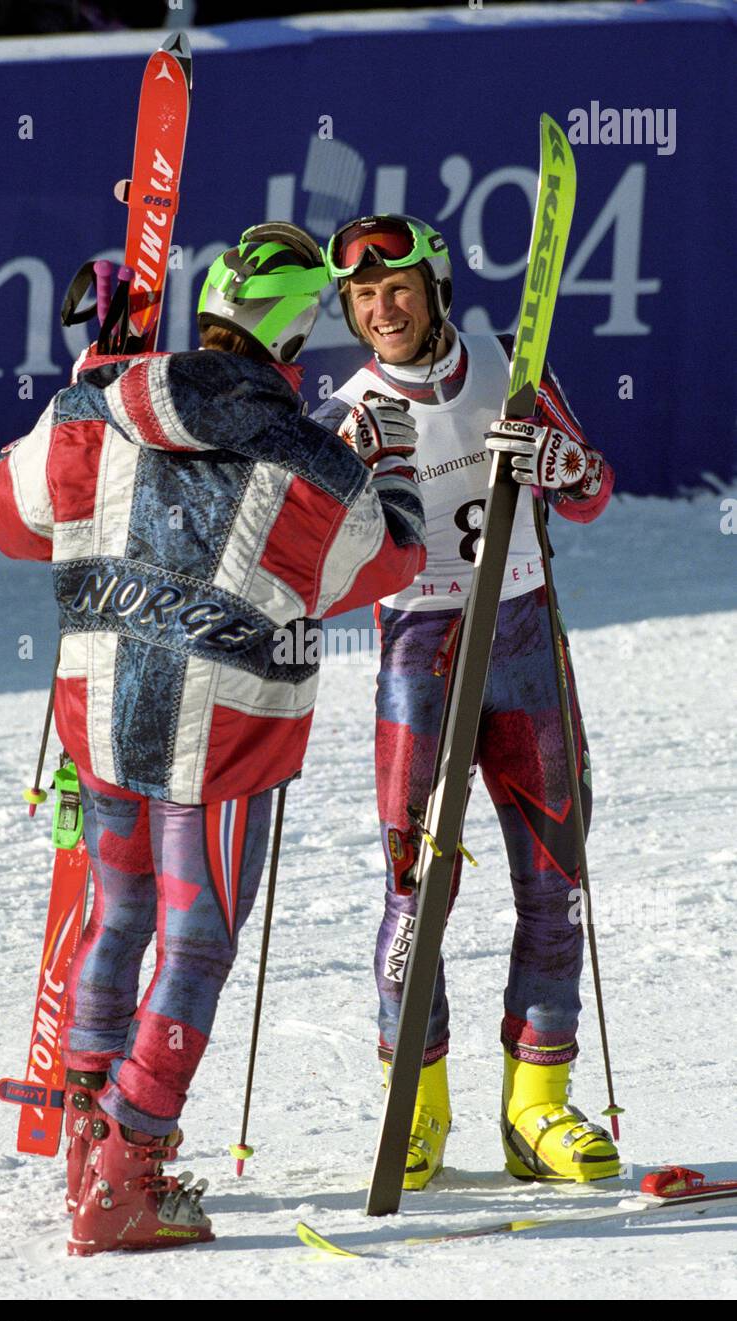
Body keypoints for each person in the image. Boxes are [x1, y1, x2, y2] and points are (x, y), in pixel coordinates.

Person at [0, 222, 425, 1255]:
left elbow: (9, 517)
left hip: (100, 707)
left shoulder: (100, 400)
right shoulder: (314, 457)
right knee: (195, 945)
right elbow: (383, 568)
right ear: (296, 335)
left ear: (211, 308)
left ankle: (89, 1143)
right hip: (220, 737)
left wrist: (93, 369)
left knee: (116, 916)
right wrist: (392, 468)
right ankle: (126, 1179)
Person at [314, 214, 619, 1189]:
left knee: (553, 874)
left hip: (522, 631)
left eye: (396, 287)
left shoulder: (507, 361)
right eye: (362, 297)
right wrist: (360, 484)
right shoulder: (353, 405)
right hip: (423, 651)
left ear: (434, 287)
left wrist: (558, 464)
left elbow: (594, 488)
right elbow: (324, 569)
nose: (381, 309)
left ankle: (537, 1106)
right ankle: (418, 1108)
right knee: (417, 892)